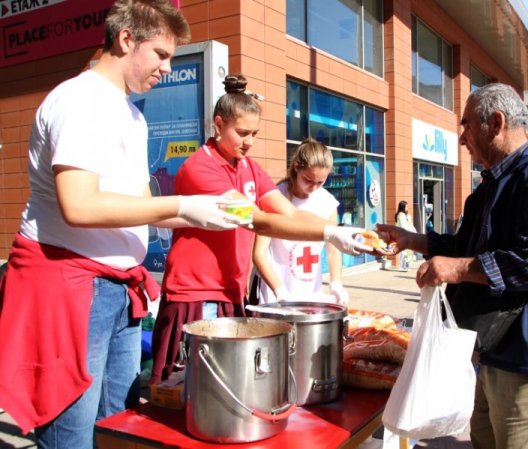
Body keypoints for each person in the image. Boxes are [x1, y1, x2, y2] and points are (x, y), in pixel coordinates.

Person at [0, 2, 244, 448]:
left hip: (115, 289)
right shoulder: (81, 99)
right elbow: (80, 206)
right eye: (161, 55)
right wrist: (187, 206)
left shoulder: (130, 113)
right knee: (71, 435)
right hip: (71, 287)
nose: (167, 69)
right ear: (126, 39)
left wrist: (209, 210)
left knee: (119, 428)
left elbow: (144, 206)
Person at [377, 83, 528, 449]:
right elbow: (465, 248)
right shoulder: (491, 186)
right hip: (492, 351)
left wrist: (458, 269)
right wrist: (414, 240)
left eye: (467, 125)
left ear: (496, 122)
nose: (462, 138)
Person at [150, 74, 368, 384]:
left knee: (226, 387)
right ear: (218, 124)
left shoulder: (249, 167)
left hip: (230, 288)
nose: (249, 142)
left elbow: (289, 212)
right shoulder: (201, 168)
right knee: (190, 387)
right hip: (195, 291)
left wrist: (344, 231)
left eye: (254, 133)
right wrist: (327, 233)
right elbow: (258, 219)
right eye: (241, 133)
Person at [251, 138, 348, 304]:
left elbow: (333, 249)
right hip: (276, 291)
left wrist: (336, 283)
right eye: (308, 180)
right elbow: (259, 254)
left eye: (321, 182)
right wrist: (279, 290)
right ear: (296, 166)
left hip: (310, 291)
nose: (314, 187)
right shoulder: (275, 198)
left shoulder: (327, 201)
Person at [394, 200, 416, 271]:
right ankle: (403, 266)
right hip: (402, 234)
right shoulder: (400, 215)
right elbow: (403, 226)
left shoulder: (407, 215)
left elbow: (411, 225)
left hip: (408, 234)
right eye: (406, 206)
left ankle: (407, 265)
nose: (407, 208)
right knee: (403, 251)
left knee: (408, 250)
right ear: (402, 207)